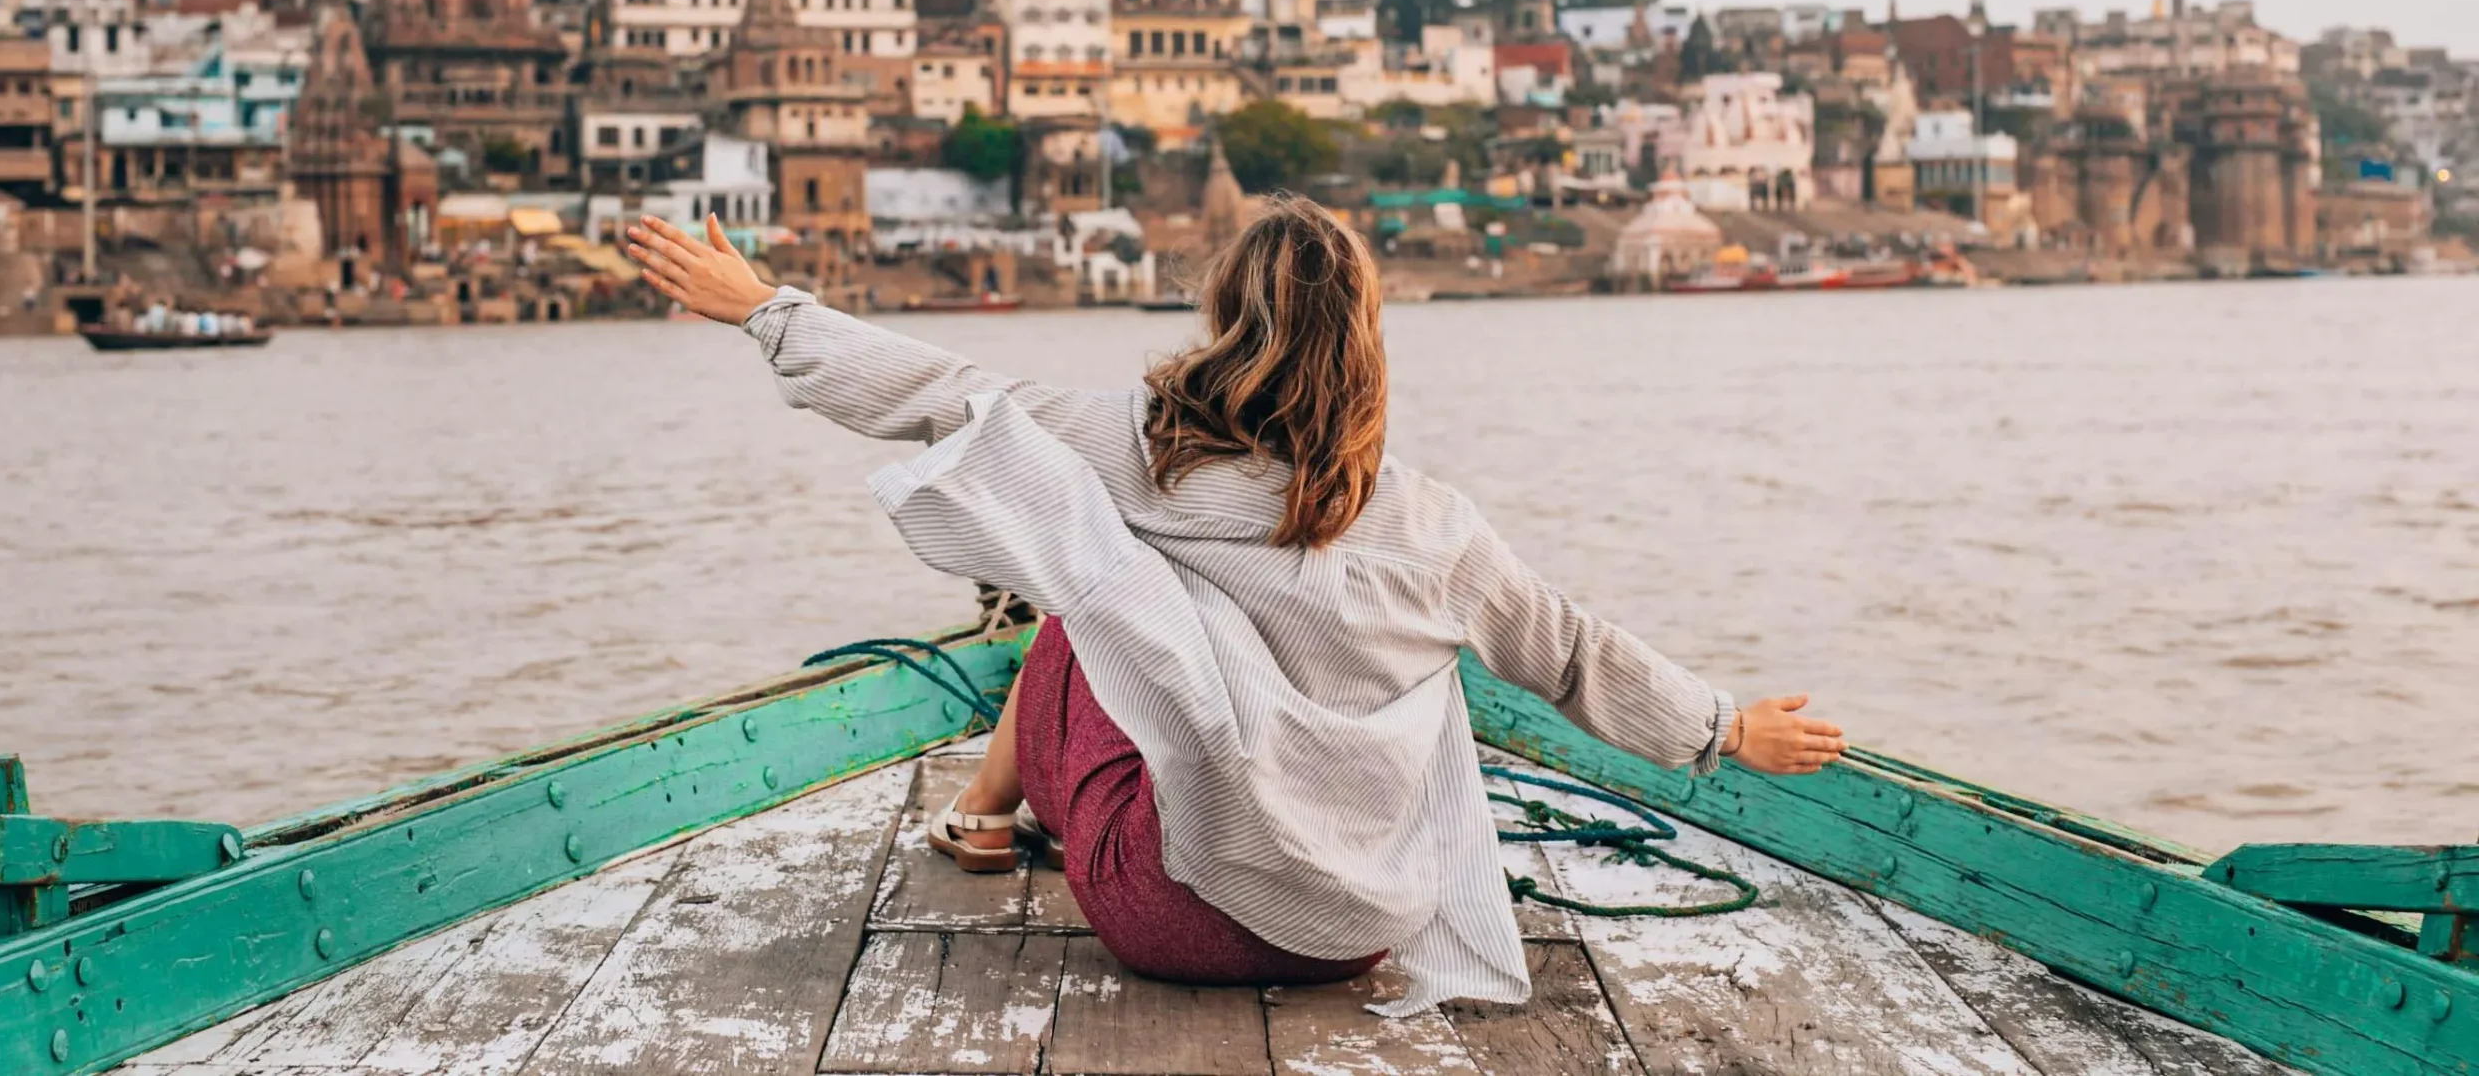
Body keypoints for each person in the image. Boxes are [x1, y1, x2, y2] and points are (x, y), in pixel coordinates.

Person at [626, 198, 1843, 1012]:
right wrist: (1728, 728)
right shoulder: (1435, 527)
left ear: (1225, 317)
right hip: (1354, 929)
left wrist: (762, 309)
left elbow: (946, 393)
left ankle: (985, 821)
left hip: (1167, 920)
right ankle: (1051, 802)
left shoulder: (1133, 451)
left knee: (1078, 593)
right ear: (1365, 338)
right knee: (1280, 633)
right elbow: (1568, 651)